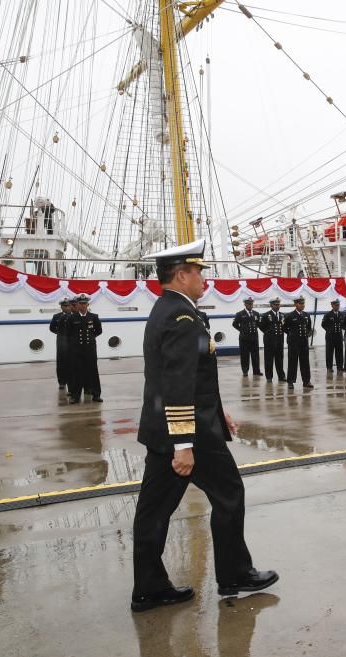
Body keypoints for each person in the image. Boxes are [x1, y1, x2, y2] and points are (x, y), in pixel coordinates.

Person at [131, 239, 277, 613]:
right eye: (198, 272)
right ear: (181, 275)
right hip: (188, 435)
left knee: (153, 511)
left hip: (177, 428)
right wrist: (183, 444)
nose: (203, 279)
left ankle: (149, 588)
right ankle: (235, 574)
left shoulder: (173, 311)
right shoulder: (181, 319)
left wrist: (221, 412)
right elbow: (177, 384)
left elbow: (196, 378)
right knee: (229, 494)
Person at [67, 294, 102, 403]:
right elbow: (68, 333)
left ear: (88, 304)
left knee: (93, 372)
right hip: (77, 350)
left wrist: (90, 339)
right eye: (81, 304)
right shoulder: (72, 318)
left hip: (90, 350)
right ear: (77, 305)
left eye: (84, 303)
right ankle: (75, 396)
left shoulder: (93, 317)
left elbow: (98, 331)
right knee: (77, 373)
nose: (83, 306)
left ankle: (96, 394)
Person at [285, 296, 313, 388]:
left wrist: (306, 334)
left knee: (305, 362)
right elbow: (284, 327)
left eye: (303, 304)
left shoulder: (306, 315)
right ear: (295, 304)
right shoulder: (290, 316)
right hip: (294, 342)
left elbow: (309, 327)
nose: (302, 305)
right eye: (300, 304)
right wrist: (292, 334)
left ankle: (306, 381)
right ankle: (290, 381)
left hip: (304, 342)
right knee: (292, 362)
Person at [258, 297, 286, 383]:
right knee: (269, 359)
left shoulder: (282, 315)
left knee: (279, 359)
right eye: (275, 304)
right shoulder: (266, 315)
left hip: (279, 340)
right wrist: (268, 332)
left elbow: (284, 326)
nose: (277, 306)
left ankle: (281, 376)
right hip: (269, 340)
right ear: (271, 305)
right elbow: (261, 326)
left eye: (278, 304)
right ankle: (269, 377)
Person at [232, 297, 262, 377]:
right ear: (245, 304)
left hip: (254, 338)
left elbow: (258, 324)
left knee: (255, 355)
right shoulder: (240, 314)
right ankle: (245, 370)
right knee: (245, 355)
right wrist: (242, 330)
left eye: (251, 303)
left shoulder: (256, 314)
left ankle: (256, 371)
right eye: (248, 303)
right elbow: (234, 324)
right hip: (244, 338)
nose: (250, 305)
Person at [49, 298, 72, 390]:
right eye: (64, 306)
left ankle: (71, 381)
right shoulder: (56, 316)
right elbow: (52, 328)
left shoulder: (74, 316)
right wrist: (60, 334)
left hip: (71, 342)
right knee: (61, 362)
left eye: (67, 305)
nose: (66, 307)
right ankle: (62, 382)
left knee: (71, 362)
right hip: (61, 343)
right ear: (61, 307)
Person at [321, 298, 344, 373]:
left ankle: (340, 367)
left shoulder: (341, 314)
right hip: (330, 336)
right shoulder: (328, 315)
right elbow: (323, 324)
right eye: (336, 305)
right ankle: (329, 367)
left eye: (338, 305)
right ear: (332, 305)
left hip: (339, 336)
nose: (337, 307)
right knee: (329, 352)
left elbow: (343, 324)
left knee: (339, 352)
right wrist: (329, 330)